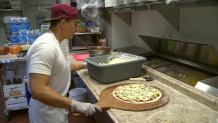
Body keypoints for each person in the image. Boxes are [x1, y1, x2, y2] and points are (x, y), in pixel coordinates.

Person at [26, 3, 101, 123]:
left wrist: (87, 64)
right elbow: (38, 90)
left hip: (55, 107)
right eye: (75, 24)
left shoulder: (55, 43)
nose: (76, 29)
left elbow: (61, 67)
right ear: (63, 23)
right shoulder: (45, 47)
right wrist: (75, 104)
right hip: (46, 114)